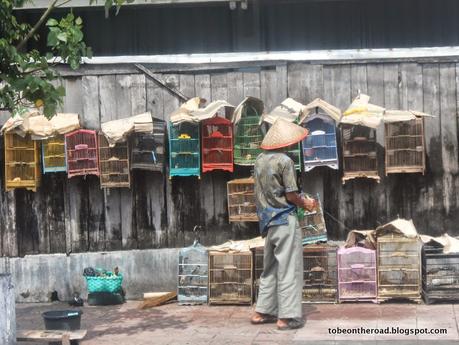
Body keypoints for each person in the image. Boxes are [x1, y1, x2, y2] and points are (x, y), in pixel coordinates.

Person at [250, 118, 316, 330]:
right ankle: (286, 317)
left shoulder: (259, 160)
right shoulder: (285, 161)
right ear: (287, 141)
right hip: (285, 221)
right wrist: (305, 203)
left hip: (268, 221)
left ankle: (262, 312)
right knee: (289, 269)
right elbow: (290, 195)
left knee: (269, 268)